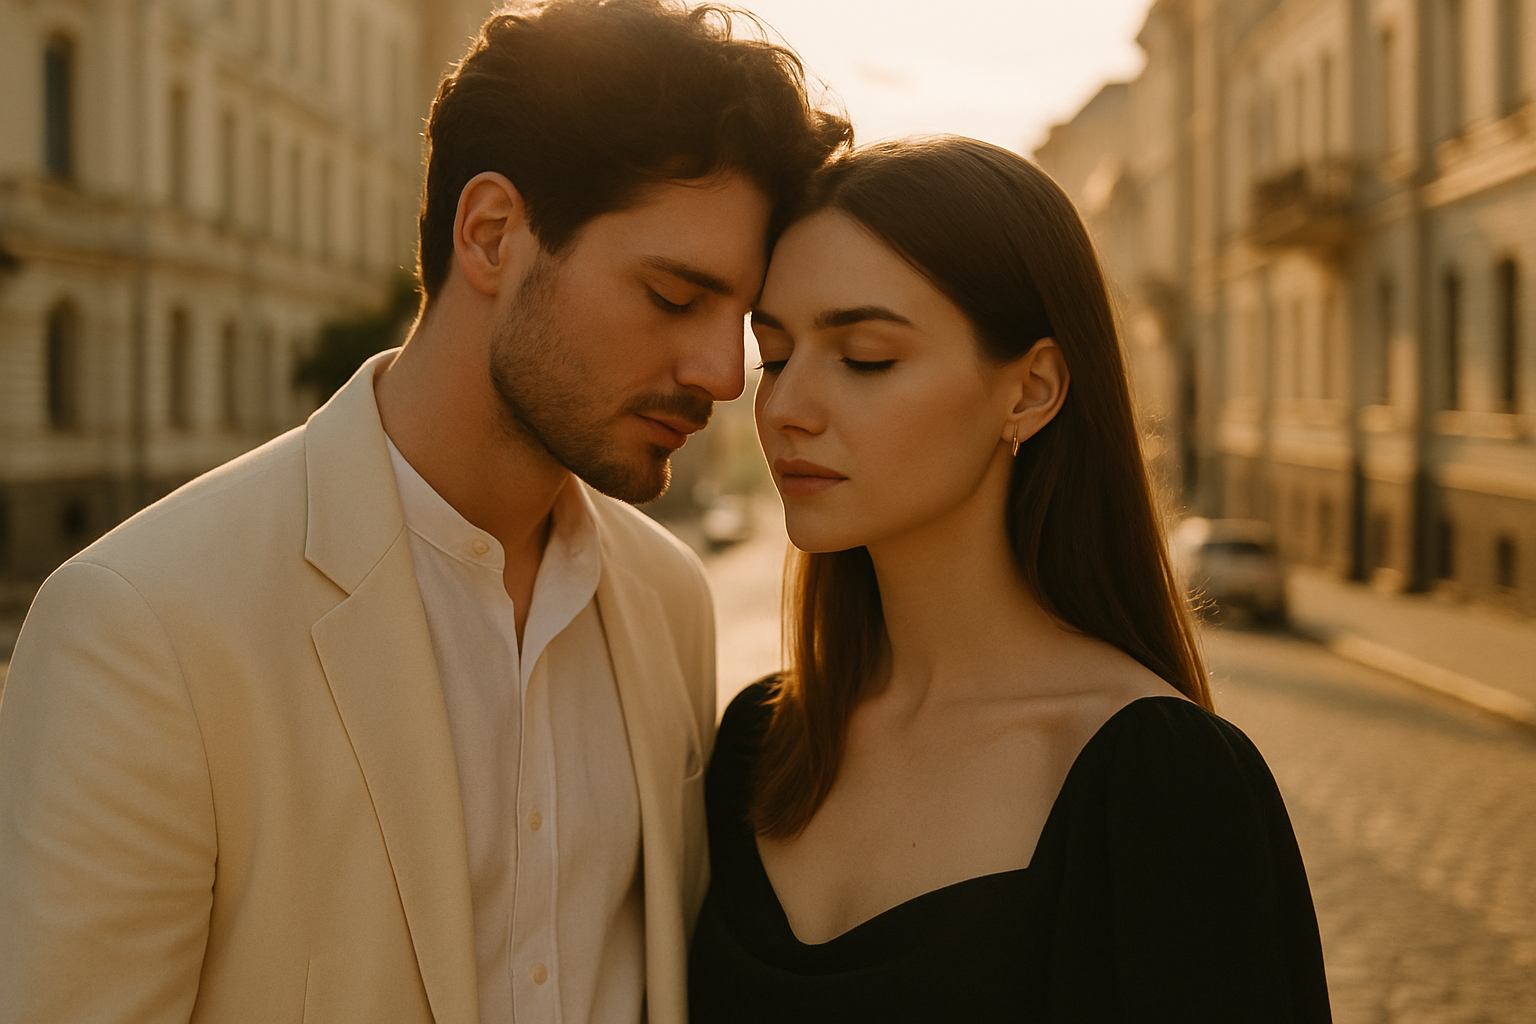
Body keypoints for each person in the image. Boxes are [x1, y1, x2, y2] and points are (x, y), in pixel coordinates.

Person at [0, 3, 849, 1022]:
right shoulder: (143, 626)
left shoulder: (669, 597)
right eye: (673, 296)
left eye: (740, 323)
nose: (721, 376)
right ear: (491, 235)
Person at [688, 137, 1333, 1022]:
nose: (787, 407)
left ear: (1030, 390)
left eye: (866, 356)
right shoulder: (758, 747)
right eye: (776, 355)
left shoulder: (1160, 784)